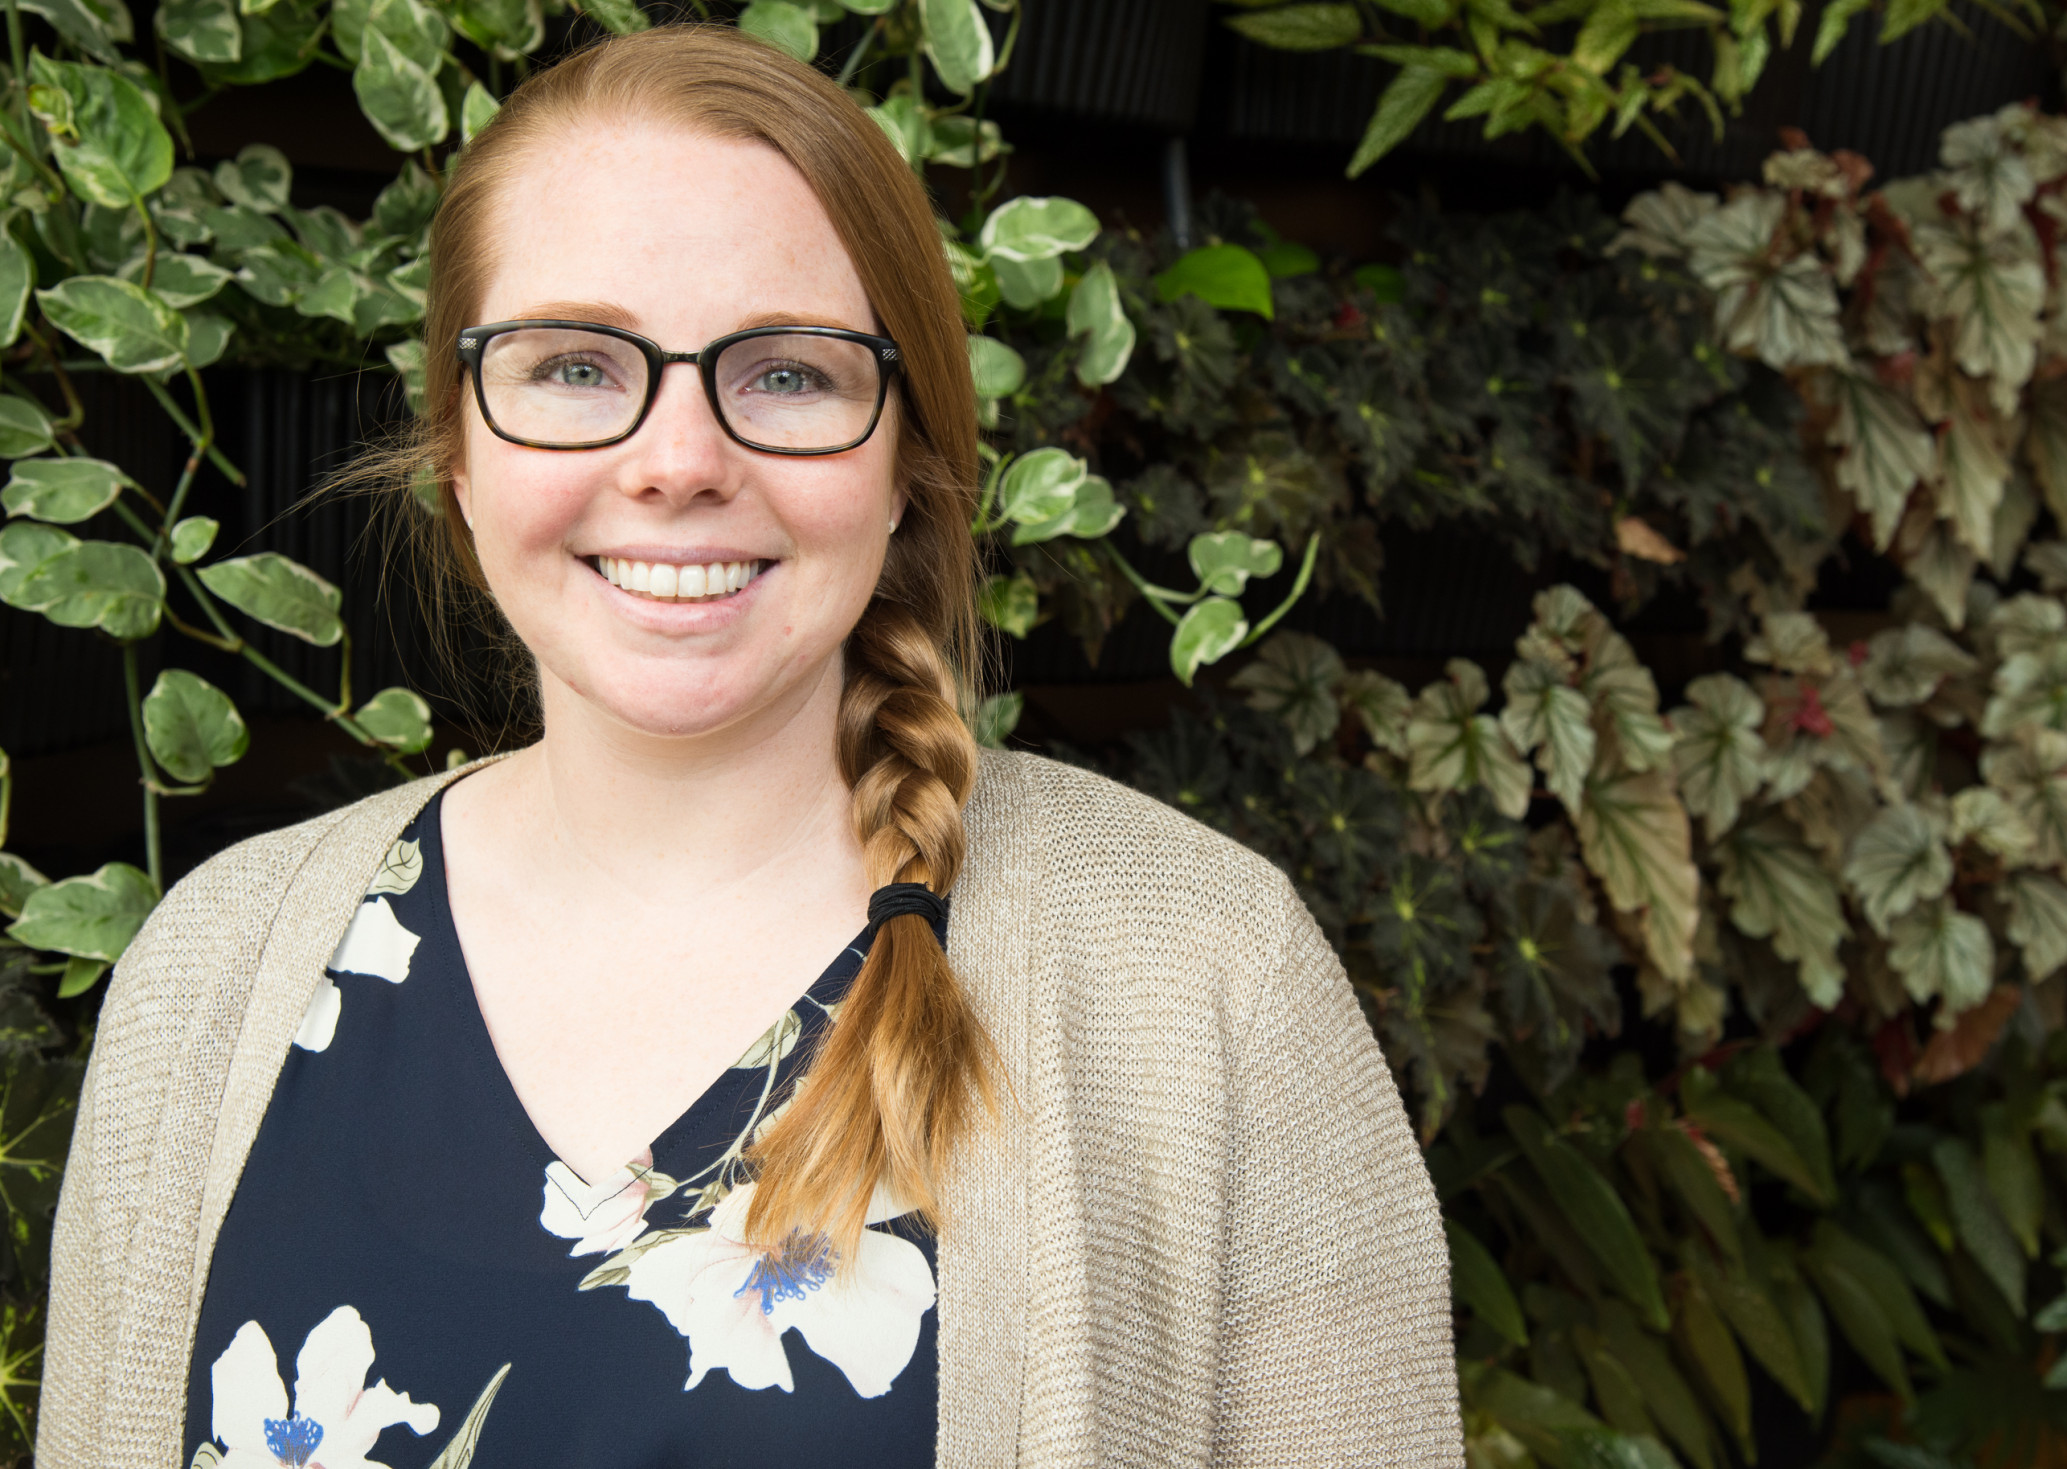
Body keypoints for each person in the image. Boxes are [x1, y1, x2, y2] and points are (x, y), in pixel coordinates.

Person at [37, 24, 1461, 1468]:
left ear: (905, 457)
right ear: (459, 452)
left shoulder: (1207, 980)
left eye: (786, 373)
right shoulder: (208, 977)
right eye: (577, 364)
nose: (677, 459)